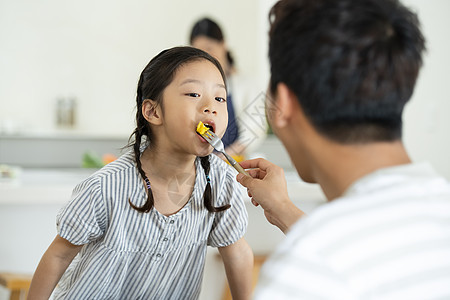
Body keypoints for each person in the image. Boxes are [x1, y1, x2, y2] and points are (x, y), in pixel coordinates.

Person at [236, 0, 450, 299]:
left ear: (282, 104)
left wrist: (309, 244)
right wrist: (283, 209)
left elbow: (334, 257)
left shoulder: (308, 269)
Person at [28, 46, 253, 300]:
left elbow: (238, 254)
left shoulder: (220, 183)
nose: (211, 107)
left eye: (220, 98)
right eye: (193, 93)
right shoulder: (107, 186)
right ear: (153, 111)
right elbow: (58, 256)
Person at [190, 17, 267, 159]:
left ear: (223, 44)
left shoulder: (245, 84)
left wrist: (223, 158)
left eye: (209, 48)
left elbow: (254, 128)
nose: (205, 56)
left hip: (233, 165)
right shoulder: (191, 88)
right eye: (198, 51)